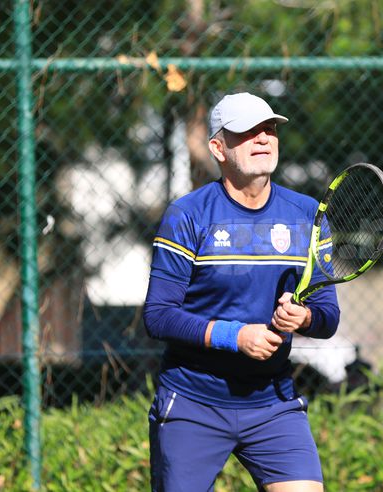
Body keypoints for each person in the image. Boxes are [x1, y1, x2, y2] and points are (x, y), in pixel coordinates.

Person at [143, 92, 341, 492]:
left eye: (268, 130)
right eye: (247, 132)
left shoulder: (307, 216)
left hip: (273, 403)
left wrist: (302, 318)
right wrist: (236, 336)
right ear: (218, 148)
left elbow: (327, 316)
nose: (263, 139)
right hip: (193, 402)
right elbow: (158, 315)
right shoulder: (188, 216)